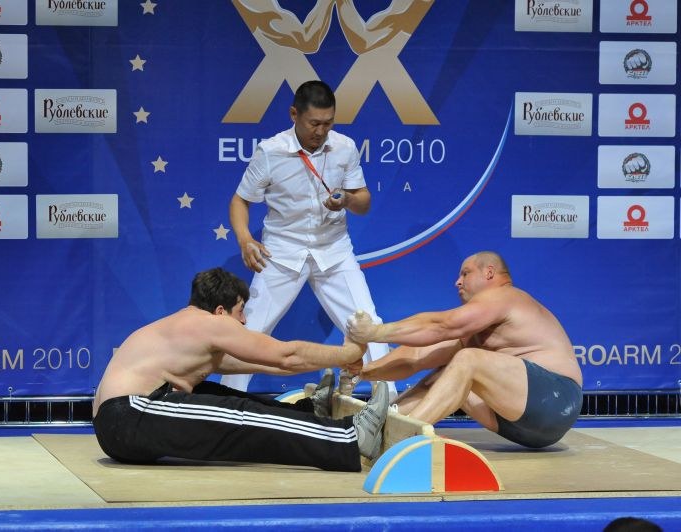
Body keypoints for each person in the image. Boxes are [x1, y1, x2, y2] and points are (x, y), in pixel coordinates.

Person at [93, 267, 389, 472]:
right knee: (241, 415)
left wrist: (338, 360)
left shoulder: (187, 334)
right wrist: (349, 352)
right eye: (240, 311)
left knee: (221, 395)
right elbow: (287, 355)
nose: (245, 321)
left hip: (121, 424)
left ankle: (310, 412)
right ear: (221, 312)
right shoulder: (207, 324)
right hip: (128, 417)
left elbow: (270, 364)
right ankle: (350, 437)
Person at [222, 79, 395, 399]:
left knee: (369, 324)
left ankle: (389, 405)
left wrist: (346, 201)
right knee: (251, 333)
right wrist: (245, 239)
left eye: (328, 123)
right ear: (293, 114)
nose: (321, 130)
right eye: (314, 123)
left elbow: (364, 200)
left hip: (334, 251)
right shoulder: (270, 152)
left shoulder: (344, 148)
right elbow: (240, 200)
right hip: (282, 252)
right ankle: (228, 407)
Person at [345, 251, 583, 449]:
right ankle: (373, 427)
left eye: (465, 273)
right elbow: (415, 357)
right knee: (445, 374)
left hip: (558, 401)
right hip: (521, 426)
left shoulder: (506, 296)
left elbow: (443, 325)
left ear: (489, 272)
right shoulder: (476, 327)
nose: (457, 282)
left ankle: (400, 438)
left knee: (468, 359)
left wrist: (375, 332)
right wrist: (364, 371)